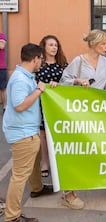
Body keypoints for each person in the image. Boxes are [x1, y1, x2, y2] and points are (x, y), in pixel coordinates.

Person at [59, 29, 106, 209]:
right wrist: (77, 81)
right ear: (93, 44)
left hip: (101, 113)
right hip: (80, 114)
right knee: (77, 150)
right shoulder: (78, 61)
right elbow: (64, 81)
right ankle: (69, 192)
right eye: (103, 44)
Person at [2, 43, 55, 222]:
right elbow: (20, 105)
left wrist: (44, 87)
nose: (41, 61)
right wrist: (39, 90)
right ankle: (12, 217)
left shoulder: (25, 77)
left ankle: (37, 188)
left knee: (34, 162)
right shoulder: (19, 80)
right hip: (22, 132)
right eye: (40, 58)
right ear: (35, 59)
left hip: (28, 130)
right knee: (19, 175)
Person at [36, 35, 68, 178]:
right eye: (50, 45)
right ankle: (45, 162)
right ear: (44, 47)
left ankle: (59, 161)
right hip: (42, 103)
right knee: (43, 134)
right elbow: (33, 82)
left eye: (55, 45)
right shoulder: (38, 64)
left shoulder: (63, 64)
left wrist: (59, 85)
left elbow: (68, 81)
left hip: (59, 105)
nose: (54, 48)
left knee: (58, 132)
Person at [0, 32, 8, 113]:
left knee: (3, 88)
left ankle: (5, 106)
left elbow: (2, 45)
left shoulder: (1, 35)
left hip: (1, 67)